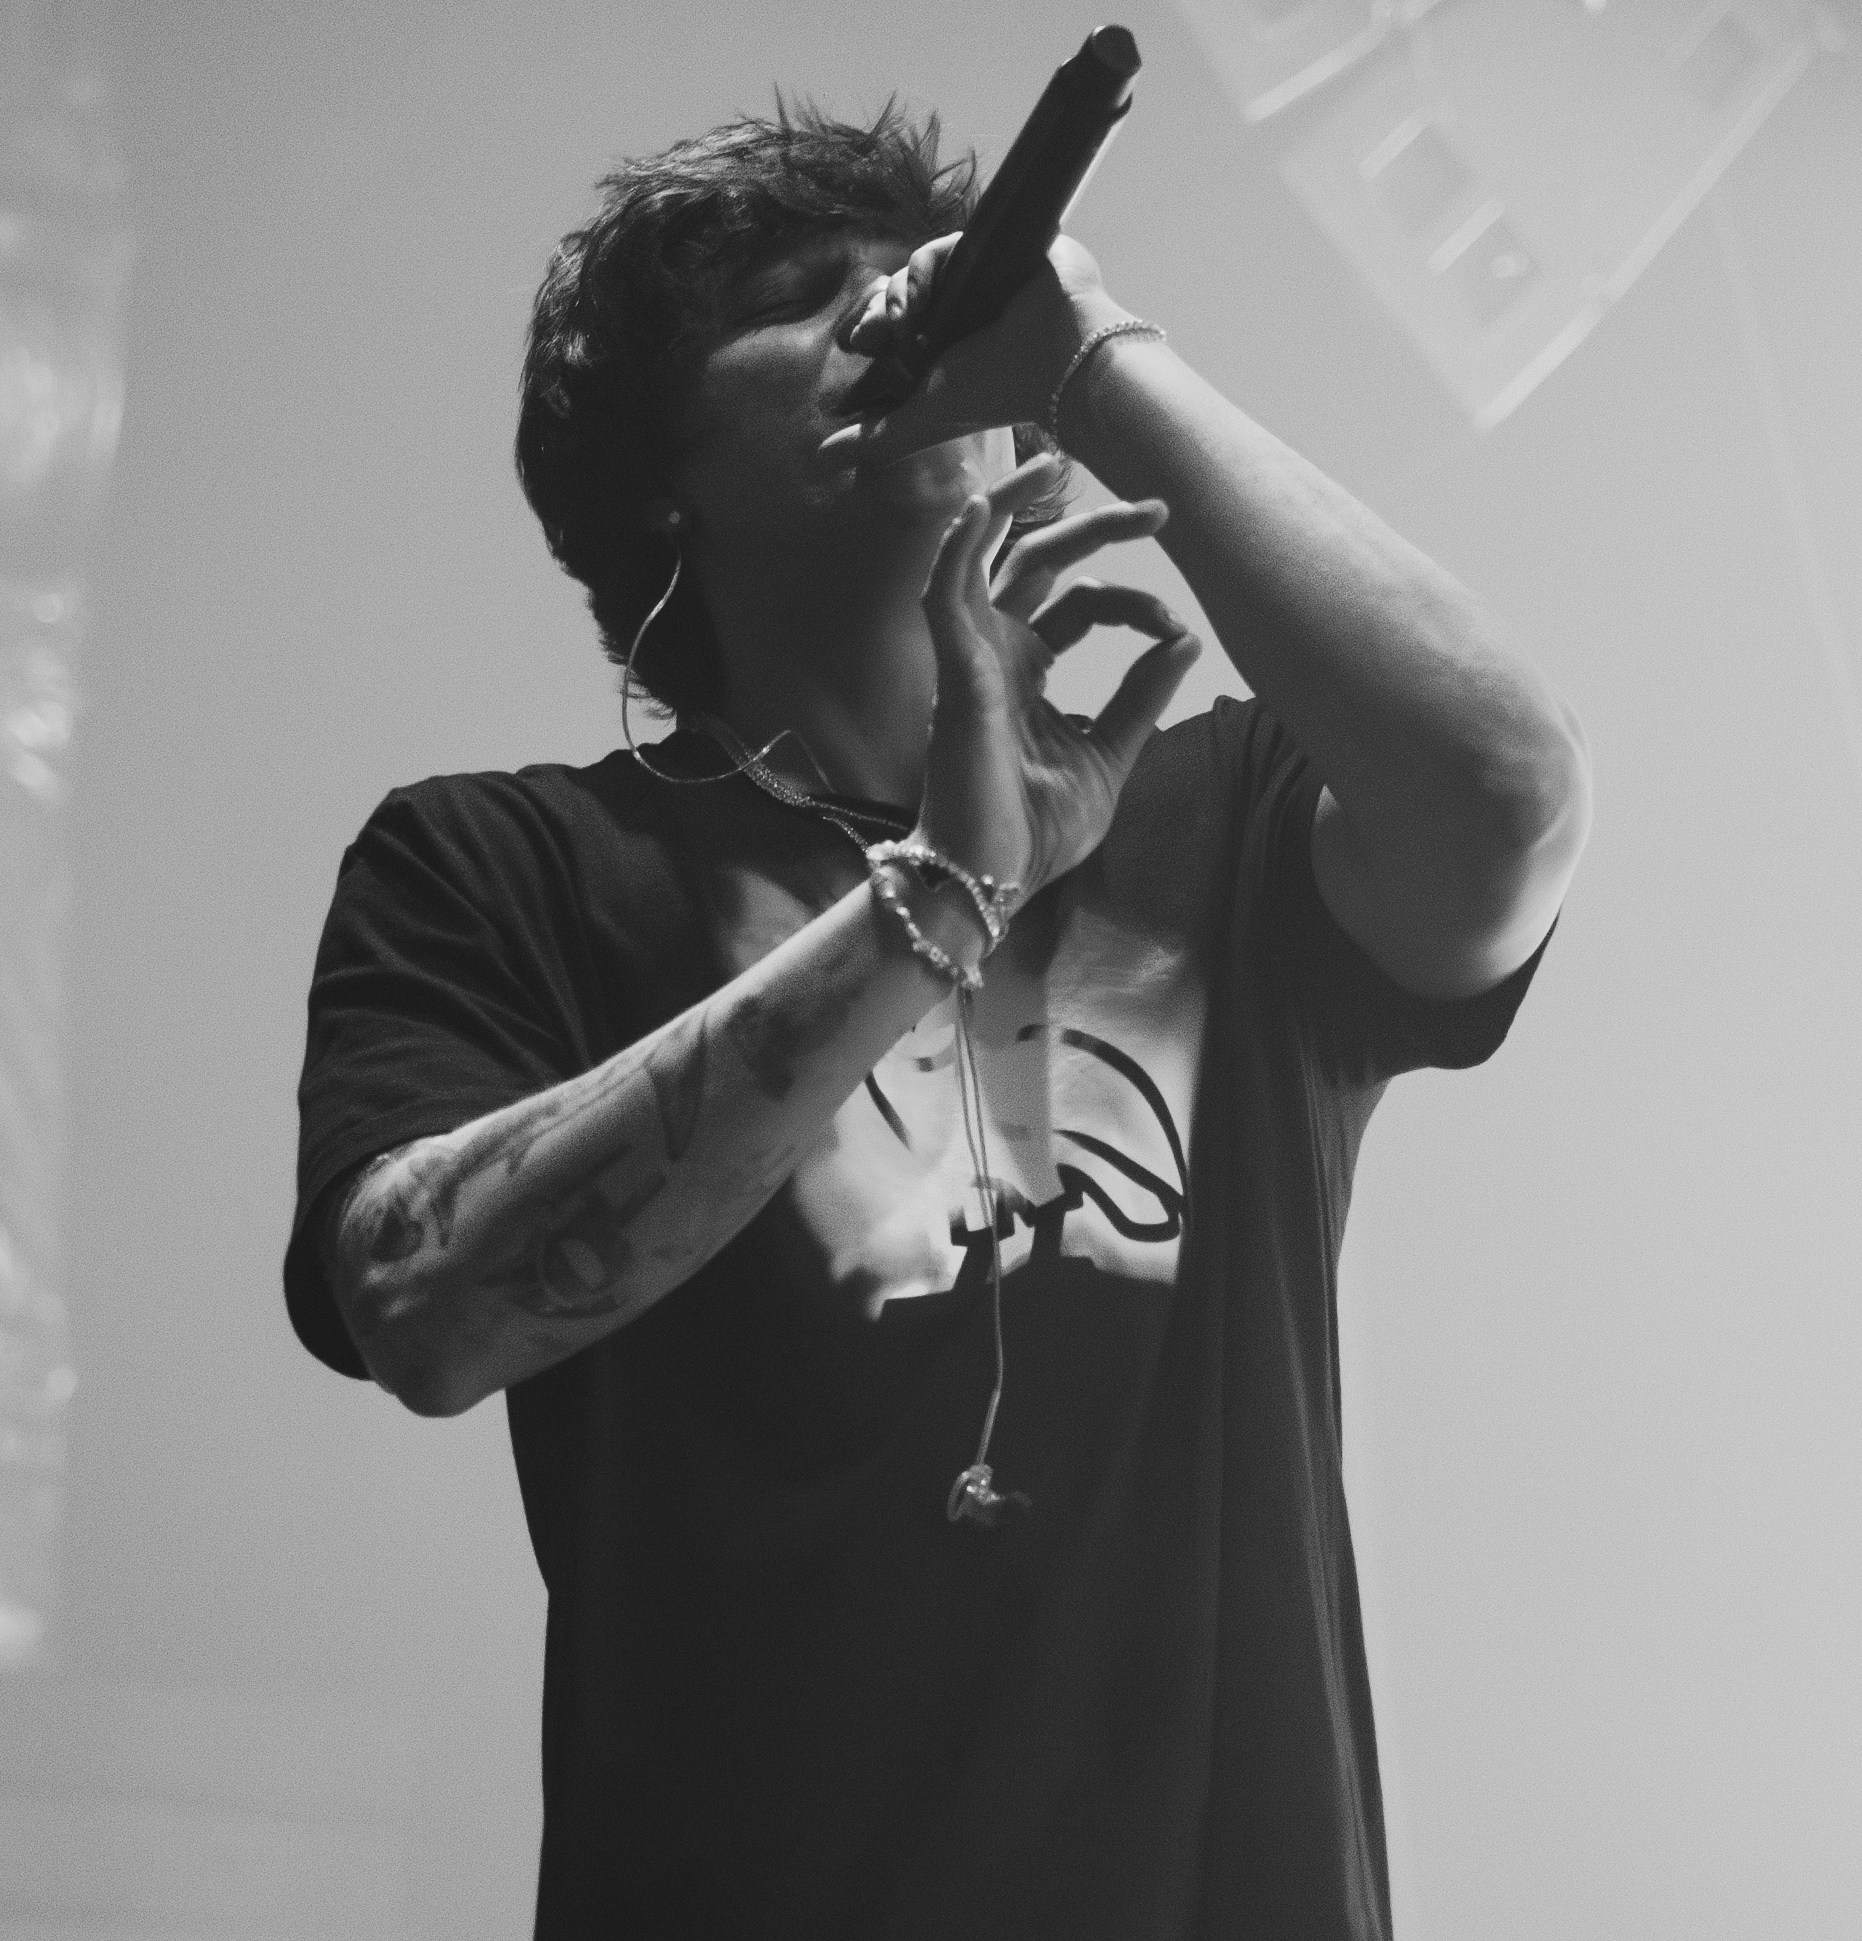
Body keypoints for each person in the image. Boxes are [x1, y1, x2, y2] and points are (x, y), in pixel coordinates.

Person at [285, 103, 1590, 1939]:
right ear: (653, 481)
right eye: (795, 294)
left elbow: (1505, 799)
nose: (890, 306)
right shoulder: (500, 863)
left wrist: (1090, 356)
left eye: (914, 276)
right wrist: (947, 886)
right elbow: (424, 1305)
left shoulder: (1215, 814)